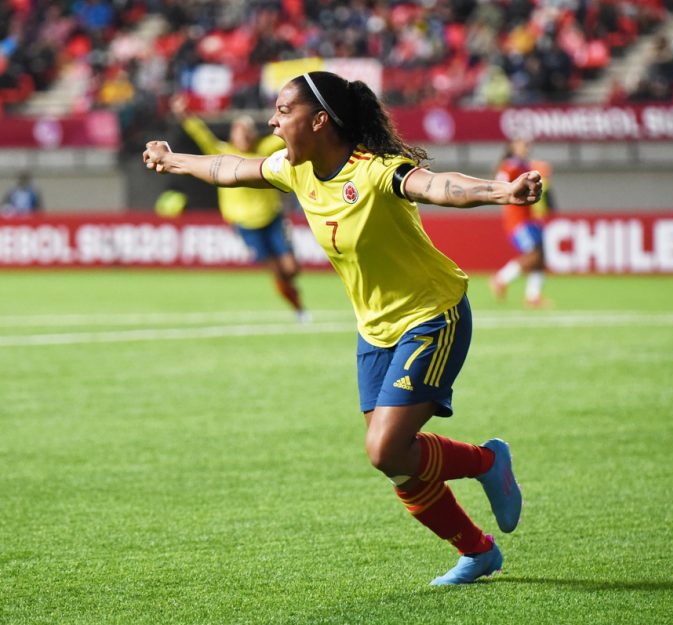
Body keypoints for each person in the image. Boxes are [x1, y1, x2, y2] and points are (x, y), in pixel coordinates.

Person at [144, 71, 543, 585]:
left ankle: (489, 462)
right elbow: (230, 167)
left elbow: (438, 185)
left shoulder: (376, 170)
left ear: (318, 120)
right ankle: (477, 551)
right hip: (375, 329)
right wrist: (173, 159)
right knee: (395, 463)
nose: (272, 121)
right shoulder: (297, 170)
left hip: (432, 316)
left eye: (282, 112)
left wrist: (501, 192)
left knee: (384, 448)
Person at [170, 95, 307, 320]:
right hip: (245, 224)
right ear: (233, 135)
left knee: (291, 269)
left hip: (272, 218)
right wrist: (185, 115)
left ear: (252, 134)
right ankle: (297, 306)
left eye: (246, 131)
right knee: (277, 272)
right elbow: (201, 134)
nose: (243, 136)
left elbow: (288, 136)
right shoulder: (223, 154)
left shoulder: (265, 148)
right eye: (238, 132)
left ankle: (292, 292)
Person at [491, 136, 555, 308]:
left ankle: (533, 296)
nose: (526, 147)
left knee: (540, 257)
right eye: (522, 144)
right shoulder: (511, 165)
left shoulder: (525, 165)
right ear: (512, 146)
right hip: (518, 221)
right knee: (534, 255)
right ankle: (501, 278)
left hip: (531, 219)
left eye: (527, 144)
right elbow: (499, 183)